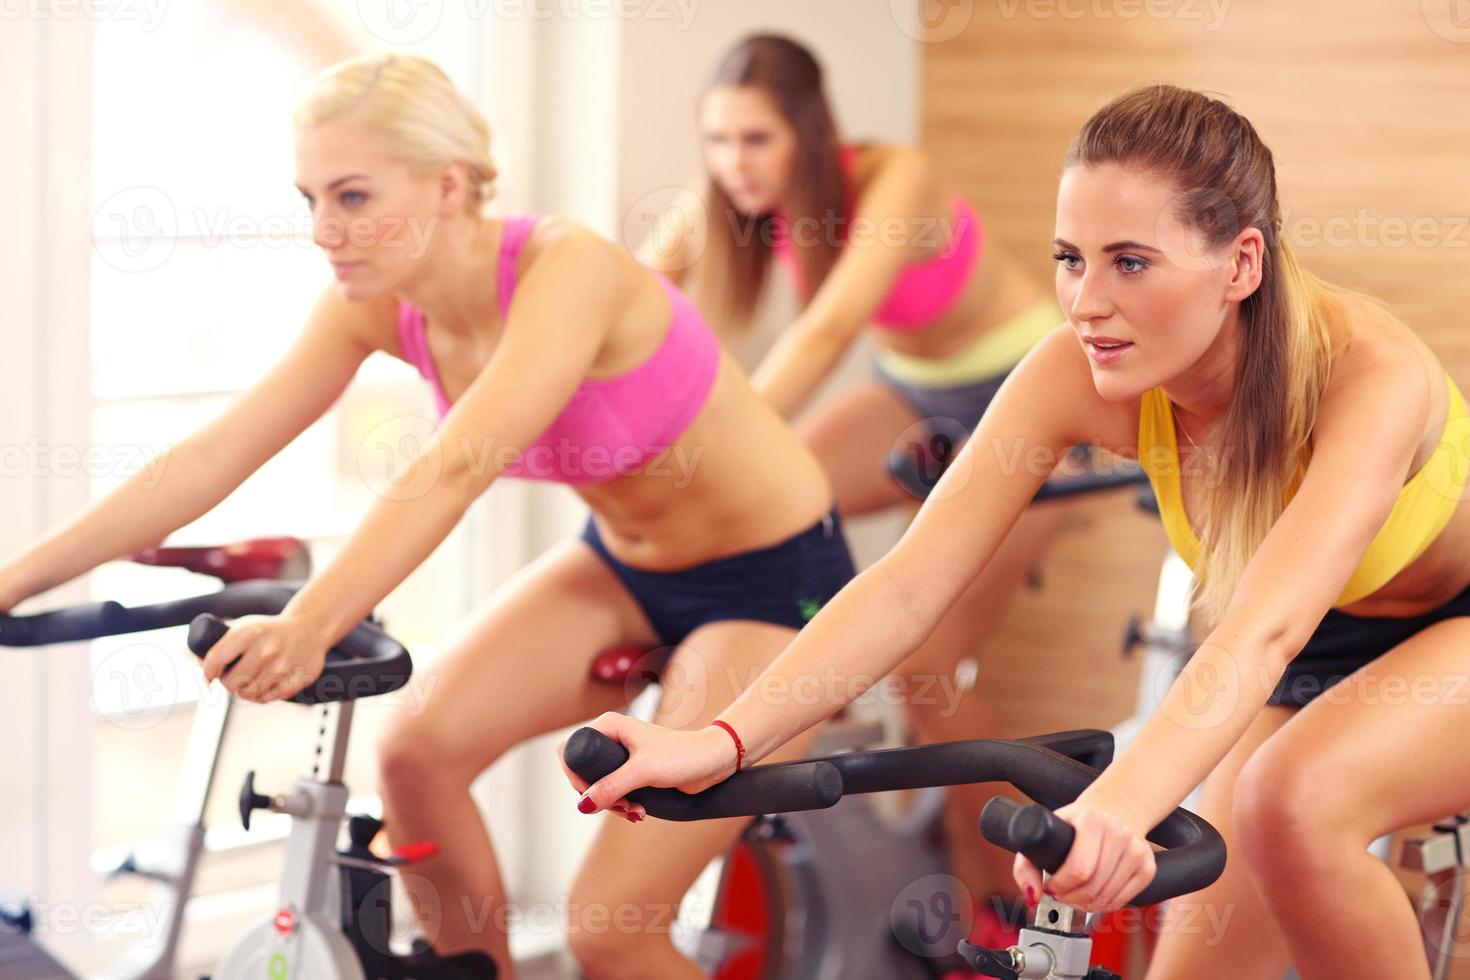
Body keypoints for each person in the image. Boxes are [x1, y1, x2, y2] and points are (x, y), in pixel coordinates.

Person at [566, 84, 1470, 980]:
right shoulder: (1076, 369)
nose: (1085, 301)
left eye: (1131, 262)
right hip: (1320, 644)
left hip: (1446, 623)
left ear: (1240, 265)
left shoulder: (1365, 372)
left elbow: (1263, 629)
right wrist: (719, 741)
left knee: (1288, 801)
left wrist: (1116, 808)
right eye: (1070, 258)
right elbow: (910, 583)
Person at [0, 52, 856, 980]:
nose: (326, 230)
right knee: (414, 751)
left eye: (354, 197)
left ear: (449, 185)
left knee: (611, 931)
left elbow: (456, 466)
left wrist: (310, 624)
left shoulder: (569, 268)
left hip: (778, 582)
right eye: (311, 199)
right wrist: (10, 580)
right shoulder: (374, 305)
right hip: (623, 563)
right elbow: (212, 453)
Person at [638, 33, 1077, 925]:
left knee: (923, 669)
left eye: (756, 139)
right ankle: (774, 669)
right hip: (913, 394)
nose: (735, 164)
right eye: (718, 141)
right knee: (775, 504)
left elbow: (830, 328)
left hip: (1031, 399)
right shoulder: (732, 191)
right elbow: (633, 288)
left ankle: (1002, 899)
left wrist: (728, 435)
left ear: (806, 130)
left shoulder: (894, 178)